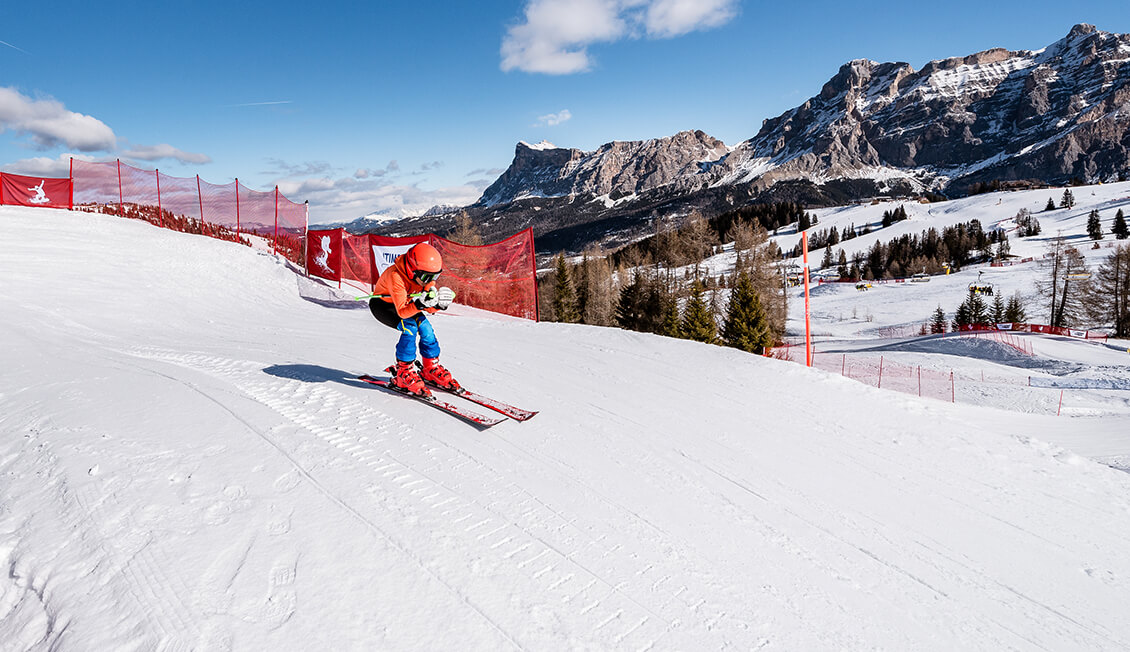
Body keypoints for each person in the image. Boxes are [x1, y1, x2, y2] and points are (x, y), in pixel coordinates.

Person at [369, 242, 457, 395]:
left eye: (435, 276)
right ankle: (404, 372)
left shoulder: (424, 277)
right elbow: (403, 312)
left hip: (410, 305)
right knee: (410, 328)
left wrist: (439, 305)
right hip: (384, 306)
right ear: (411, 270)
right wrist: (420, 303)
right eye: (425, 277)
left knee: (427, 329)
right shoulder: (395, 276)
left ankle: (431, 367)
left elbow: (428, 307)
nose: (429, 281)